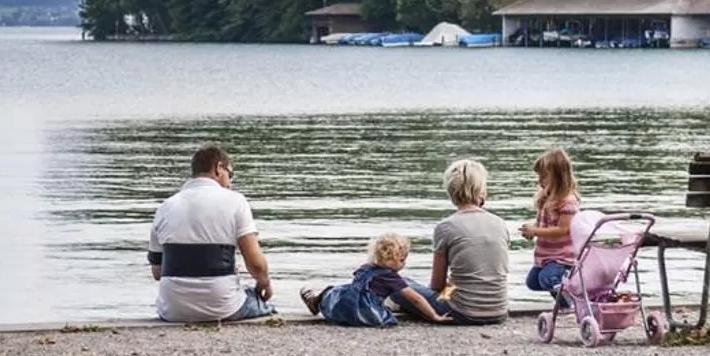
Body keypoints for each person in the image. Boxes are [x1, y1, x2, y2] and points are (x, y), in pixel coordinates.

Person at [147, 145, 276, 322]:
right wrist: (265, 284)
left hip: (173, 309)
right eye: (230, 175)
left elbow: (157, 272)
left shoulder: (165, 207)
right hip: (222, 306)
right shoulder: (236, 201)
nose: (230, 182)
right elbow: (256, 264)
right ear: (219, 168)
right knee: (264, 304)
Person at [425, 158, 513, 325]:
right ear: (482, 189)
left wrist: (444, 293)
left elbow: (437, 284)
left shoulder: (446, 227)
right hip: (499, 310)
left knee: (404, 287)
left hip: (462, 311)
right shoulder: (499, 223)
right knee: (451, 285)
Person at [300, 231, 451, 326]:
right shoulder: (393, 279)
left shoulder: (365, 267)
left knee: (333, 291)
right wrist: (434, 316)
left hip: (346, 305)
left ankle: (317, 300)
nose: (404, 264)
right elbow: (416, 298)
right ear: (391, 259)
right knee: (399, 294)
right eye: (402, 260)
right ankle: (390, 305)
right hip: (368, 312)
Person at [520, 147, 582, 310]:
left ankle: (569, 303)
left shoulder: (567, 201)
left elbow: (562, 230)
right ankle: (564, 295)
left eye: (544, 176)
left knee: (548, 279)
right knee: (533, 282)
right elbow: (545, 225)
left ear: (558, 177)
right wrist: (532, 229)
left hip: (562, 257)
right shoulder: (547, 198)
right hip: (546, 255)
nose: (539, 181)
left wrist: (536, 231)